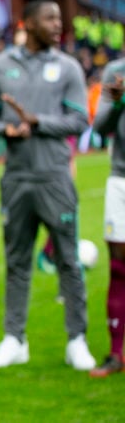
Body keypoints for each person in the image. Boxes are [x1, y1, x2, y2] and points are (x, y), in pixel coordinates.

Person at [0, 0, 96, 371]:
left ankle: (76, 340)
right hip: (16, 178)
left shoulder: (68, 67)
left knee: (68, 260)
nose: (58, 24)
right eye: (50, 18)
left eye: (59, 18)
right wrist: (8, 129)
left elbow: (79, 119)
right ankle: (15, 339)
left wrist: (37, 121)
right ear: (27, 23)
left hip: (55, 177)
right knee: (17, 261)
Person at [91, 57, 125, 377]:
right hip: (121, 180)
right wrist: (119, 103)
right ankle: (116, 354)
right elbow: (99, 128)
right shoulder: (116, 71)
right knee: (118, 267)